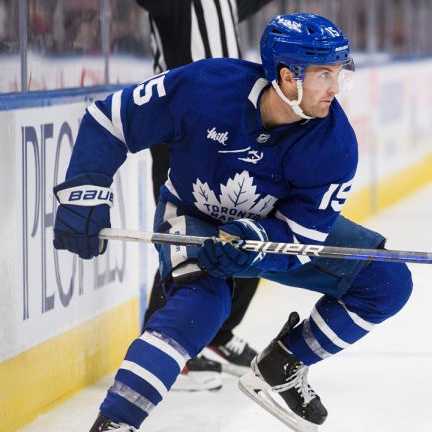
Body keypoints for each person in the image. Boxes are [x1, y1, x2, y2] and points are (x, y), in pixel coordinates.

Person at [52, 13, 413, 432]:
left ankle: (284, 362)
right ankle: (116, 422)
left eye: (340, 73)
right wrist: (85, 192)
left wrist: (255, 241)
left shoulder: (334, 144)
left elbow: (299, 237)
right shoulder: (205, 86)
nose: (336, 88)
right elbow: (110, 121)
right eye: (324, 74)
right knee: (201, 308)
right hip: (192, 214)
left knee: (386, 281)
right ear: (287, 76)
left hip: (271, 227)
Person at [134, 0, 274, 390]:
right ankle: (167, 346)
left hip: (234, 127)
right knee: (186, 236)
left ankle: (214, 331)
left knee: (256, 227)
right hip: (182, 128)